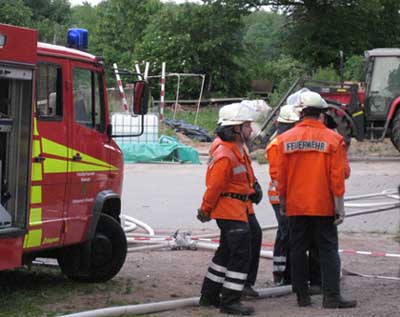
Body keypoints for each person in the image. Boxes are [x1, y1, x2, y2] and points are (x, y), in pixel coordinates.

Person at [275, 91, 357, 309]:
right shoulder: (334, 139)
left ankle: (302, 297)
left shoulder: (284, 140)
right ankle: (331, 297)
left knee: (298, 249)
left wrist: (283, 202)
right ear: (322, 114)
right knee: (328, 249)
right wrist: (339, 207)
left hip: (295, 205)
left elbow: (280, 177)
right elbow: (337, 178)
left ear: (301, 114)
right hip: (323, 205)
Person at [197, 102, 263, 316]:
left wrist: (253, 189)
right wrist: (205, 210)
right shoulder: (226, 154)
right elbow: (214, 187)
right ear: (235, 128)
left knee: (225, 254)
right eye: (247, 125)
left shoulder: (235, 150)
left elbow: (239, 177)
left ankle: (208, 296)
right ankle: (230, 301)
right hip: (230, 211)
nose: (250, 130)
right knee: (240, 255)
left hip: (236, 209)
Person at [266, 105, 321, 292]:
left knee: (292, 234)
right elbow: (278, 174)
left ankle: (291, 273)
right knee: (285, 233)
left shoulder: (285, 141)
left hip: (291, 195)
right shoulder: (278, 144)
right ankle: (281, 274)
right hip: (280, 196)